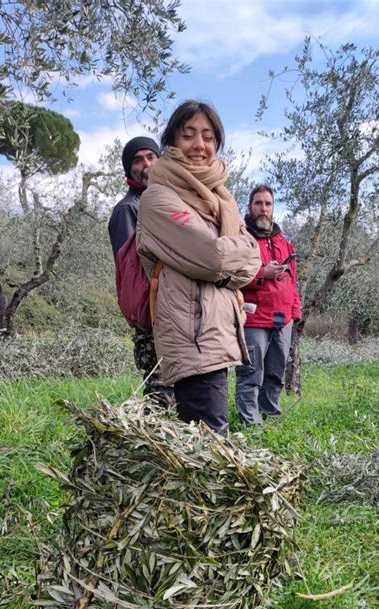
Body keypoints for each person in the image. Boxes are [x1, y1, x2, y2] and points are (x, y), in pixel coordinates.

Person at [136, 101, 261, 434]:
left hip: (216, 332)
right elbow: (212, 257)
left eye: (208, 136)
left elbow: (253, 263)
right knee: (211, 439)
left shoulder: (221, 198)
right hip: (192, 337)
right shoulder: (159, 197)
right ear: (172, 142)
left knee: (204, 444)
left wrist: (233, 259)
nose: (199, 145)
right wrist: (233, 258)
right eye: (188, 135)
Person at [108, 136, 174, 407]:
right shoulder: (127, 210)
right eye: (137, 160)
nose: (146, 164)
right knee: (161, 395)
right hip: (153, 316)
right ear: (129, 169)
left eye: (151, 156)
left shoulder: (164, 202)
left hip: (172, 311)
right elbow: (134, 273)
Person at [235, 184, 301, 425]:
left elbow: (293, 281)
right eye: (258, 204)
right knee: (251, 374)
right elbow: (231, 276)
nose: (263, 209)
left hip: (283, 320)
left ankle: (271, 420)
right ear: (250, 207)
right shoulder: (241, 239)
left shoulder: (284, 242)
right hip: (253, 319)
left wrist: (295, 314)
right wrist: (263, 273)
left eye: (268, 204)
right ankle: (250, 425)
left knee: (275, 375)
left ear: (273, 208)